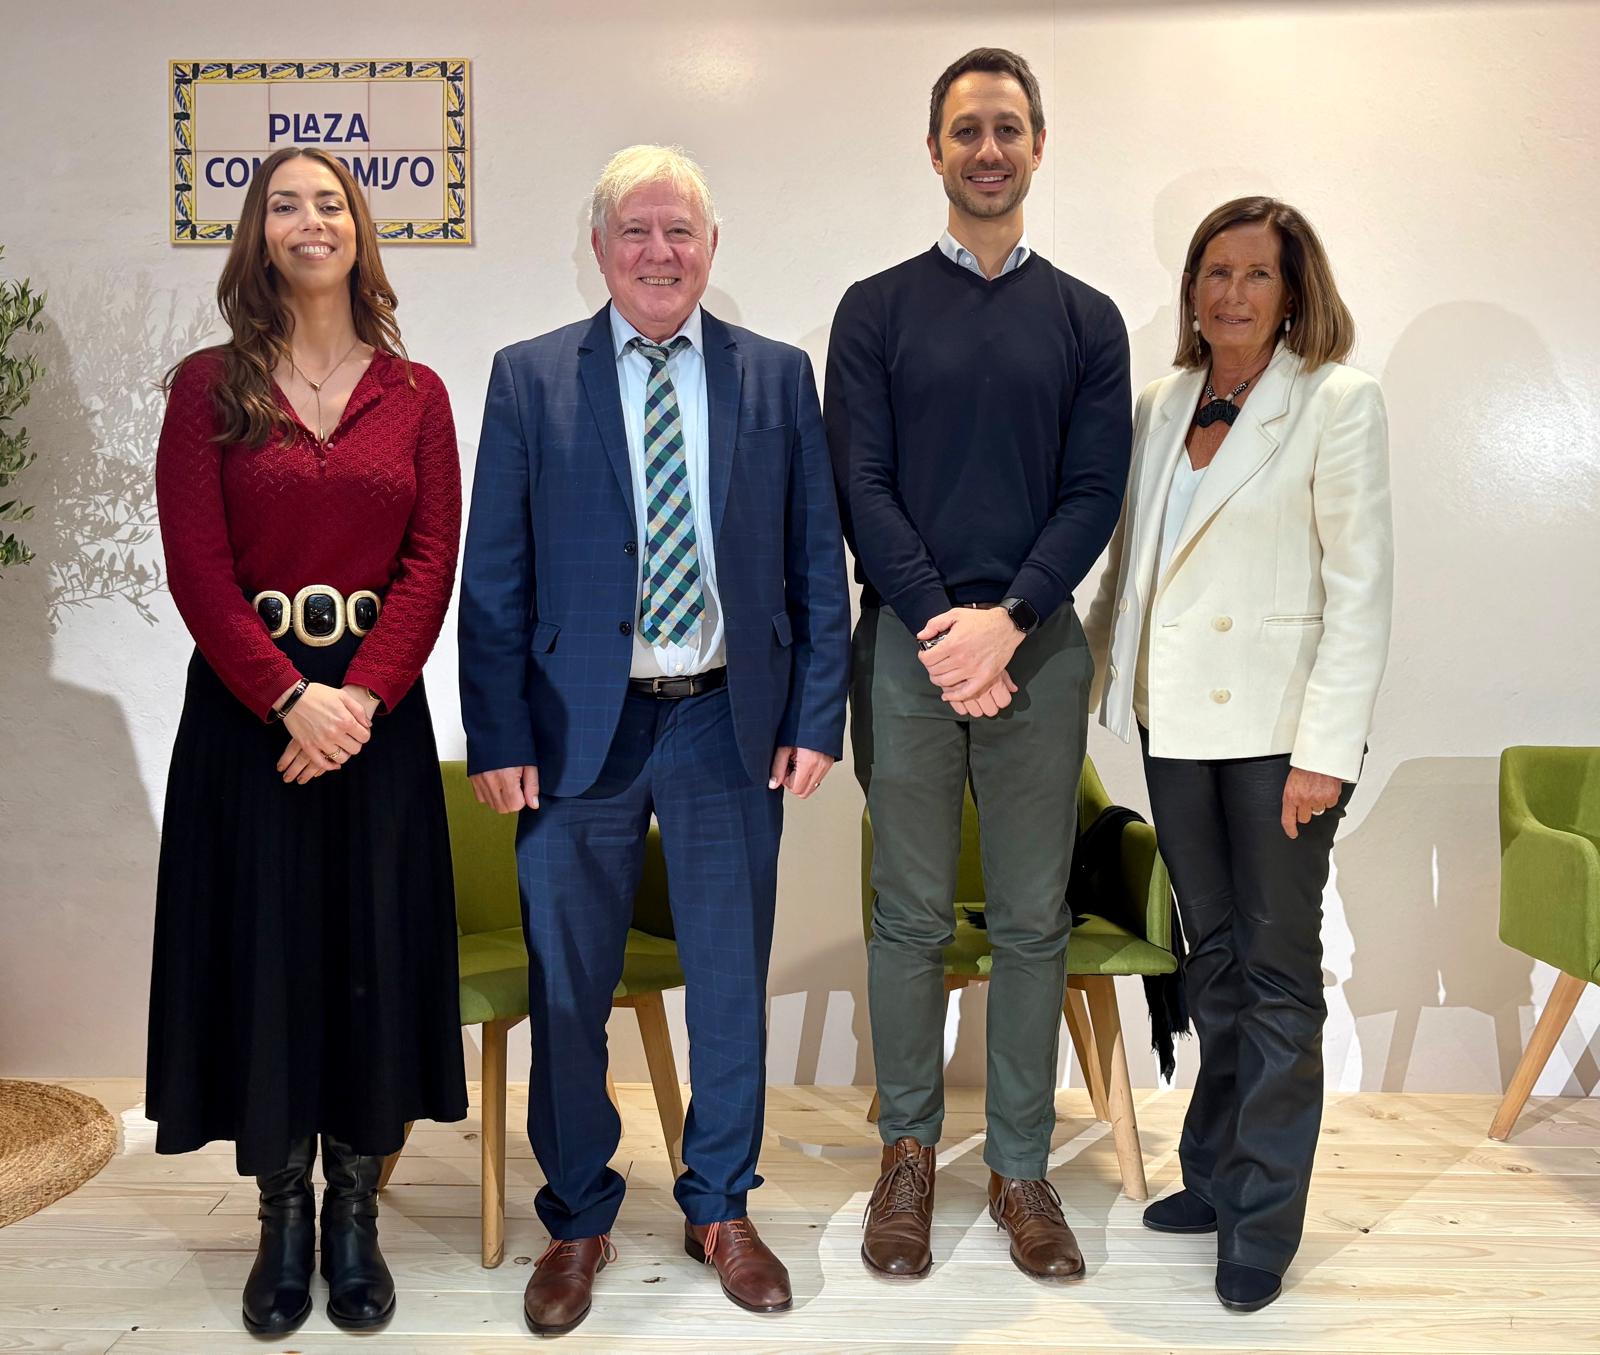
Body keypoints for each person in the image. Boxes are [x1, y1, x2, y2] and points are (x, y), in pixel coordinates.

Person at [459, 144, 849, 1337]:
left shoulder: (774, 376)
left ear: (711, 246)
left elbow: (814, 560)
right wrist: (496, 730)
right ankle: (577, 1214)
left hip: (727, 715)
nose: (659, 250)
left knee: (728, 982)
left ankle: (719, 1204)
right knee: (569, 983)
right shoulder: (530, 378)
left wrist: (814, 712)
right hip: (576, 726)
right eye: (635, 229)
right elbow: (494, 576)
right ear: (598, 248)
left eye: (680, 229)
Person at [148, 145, 466, 1336]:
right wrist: (290, 696)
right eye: (283, 203)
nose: (309, 218)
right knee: (267, 960)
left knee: (365, 955)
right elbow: (198, 570)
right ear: (258, 233)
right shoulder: (207, 387)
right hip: (249, 725)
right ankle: (282, 1218)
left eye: (329, 200)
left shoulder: (417, 393)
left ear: (358, 228)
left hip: (376, 724)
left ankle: (355, 1220)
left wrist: (360, 699)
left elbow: (430, 565)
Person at [826, 48, 1131, 1283]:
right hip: (907, 649)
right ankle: (906, 1153)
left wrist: (1006, 621)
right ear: (935, 150)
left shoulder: (1087, 319)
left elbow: (1093, 490)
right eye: (966, 130)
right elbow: (861, 484)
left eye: (1008, 127)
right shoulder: (874, 309)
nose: (988, 149)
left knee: (1030, 918)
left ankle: (1018, 1167)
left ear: (1038, 146)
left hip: (1037, 651)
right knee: (906, 914)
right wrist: (943, 627)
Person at [1084, 195, 1393, 1312]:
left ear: (1294, 291)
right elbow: (1133, 565)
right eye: (1214, 272)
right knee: (1208, 960)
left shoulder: (1337, 400)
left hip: (1279, 742)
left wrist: (1325, 751)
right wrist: (1081, 679)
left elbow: (1360, 592)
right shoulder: (1163, 401)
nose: (1231, 292)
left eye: (1256, 274)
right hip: (1176, 729)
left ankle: (1262, 1219)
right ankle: (1214, 1176)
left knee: (1274, 974)